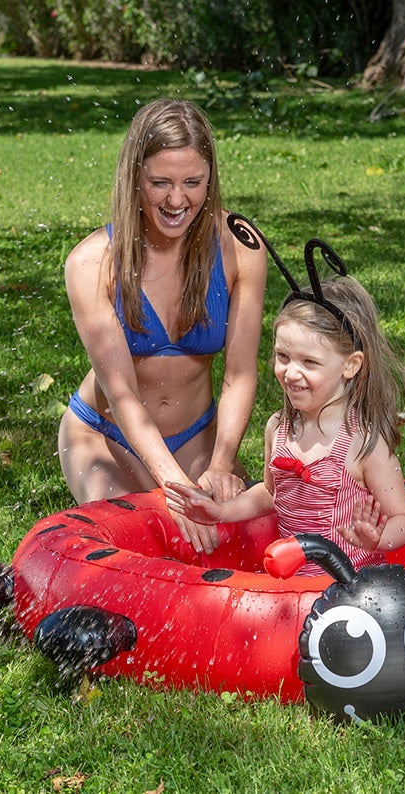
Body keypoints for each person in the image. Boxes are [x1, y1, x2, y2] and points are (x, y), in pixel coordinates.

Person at [57, 99, 268, 556]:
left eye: (193, 182)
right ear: (135, 179)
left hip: (198, 436)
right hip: (105, 437)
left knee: (233, 544)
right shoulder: (92, 263)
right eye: (160, 183)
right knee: (133, 550)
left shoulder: (239, 246)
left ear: (210, 180)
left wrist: (221, 464)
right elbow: (123, 394)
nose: (177, 200)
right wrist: (175, 488)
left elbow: (240, 373)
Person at [164, 273, 405, 575]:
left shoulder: (363, 444)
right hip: (290, 585)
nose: (291, 373)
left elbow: (403, 519)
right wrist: (221, 513)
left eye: (309, 363)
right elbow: (271, 493)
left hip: (351, 592)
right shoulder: (279, 429)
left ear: (351, 365)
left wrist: (375, 540)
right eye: (283, 356)